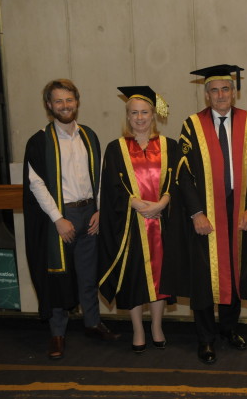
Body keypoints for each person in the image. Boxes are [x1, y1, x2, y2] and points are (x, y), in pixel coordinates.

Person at [22, 79, 120, 360]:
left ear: (77, 101)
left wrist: (99, 210)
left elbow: (99, 177)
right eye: (58, 101)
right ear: (49, 105)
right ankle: (57, 333)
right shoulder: (39, 141)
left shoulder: (89, 135)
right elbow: (36, 184)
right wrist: (58, 219)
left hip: (89, 214)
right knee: (58, 276)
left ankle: (92, 323)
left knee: (88, 274)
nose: (65, 105)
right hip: (60, 217)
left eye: (69, 100)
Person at [177, 64, 247, 364]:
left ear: (234, 92)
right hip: (207, 212)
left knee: (235, 270)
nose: (220, 95)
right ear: (206, 95)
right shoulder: (192, 125)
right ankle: (205, 338)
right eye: (214, 90)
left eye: (225, 89)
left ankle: (229, 328)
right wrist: (196, 213)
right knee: (204, 276)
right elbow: (183, 175)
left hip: (239, 208)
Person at [98, 86, 181, 353]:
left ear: (153, 115)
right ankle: (137, 329)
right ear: (127, 116)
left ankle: (157, 327)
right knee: (133, 279)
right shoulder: (116, 148)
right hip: (131, 226)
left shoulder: (169, 146)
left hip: (161, 223)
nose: (140, 118)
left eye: (144, 112)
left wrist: (163, 203)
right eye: (134, 113)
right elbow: (111, 187)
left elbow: (178, 183)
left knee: (160, 279)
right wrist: (134, 203)